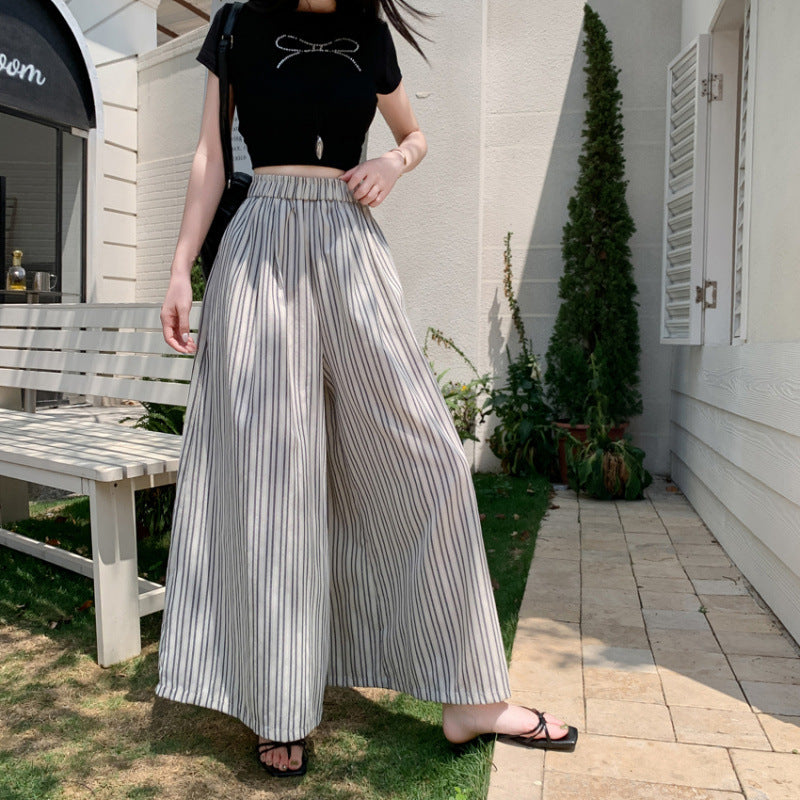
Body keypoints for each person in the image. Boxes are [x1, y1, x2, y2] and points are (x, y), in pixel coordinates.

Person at [155, 0, 578, 779]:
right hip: (261, 245)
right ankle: (279, 704)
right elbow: (210, 154)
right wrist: (182, 267)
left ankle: (471, 697)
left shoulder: (370, 34)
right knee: (275, 481)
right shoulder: (238, 22)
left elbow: (414, 135)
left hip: (350, 243)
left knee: (435, 457)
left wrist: (392, 162)